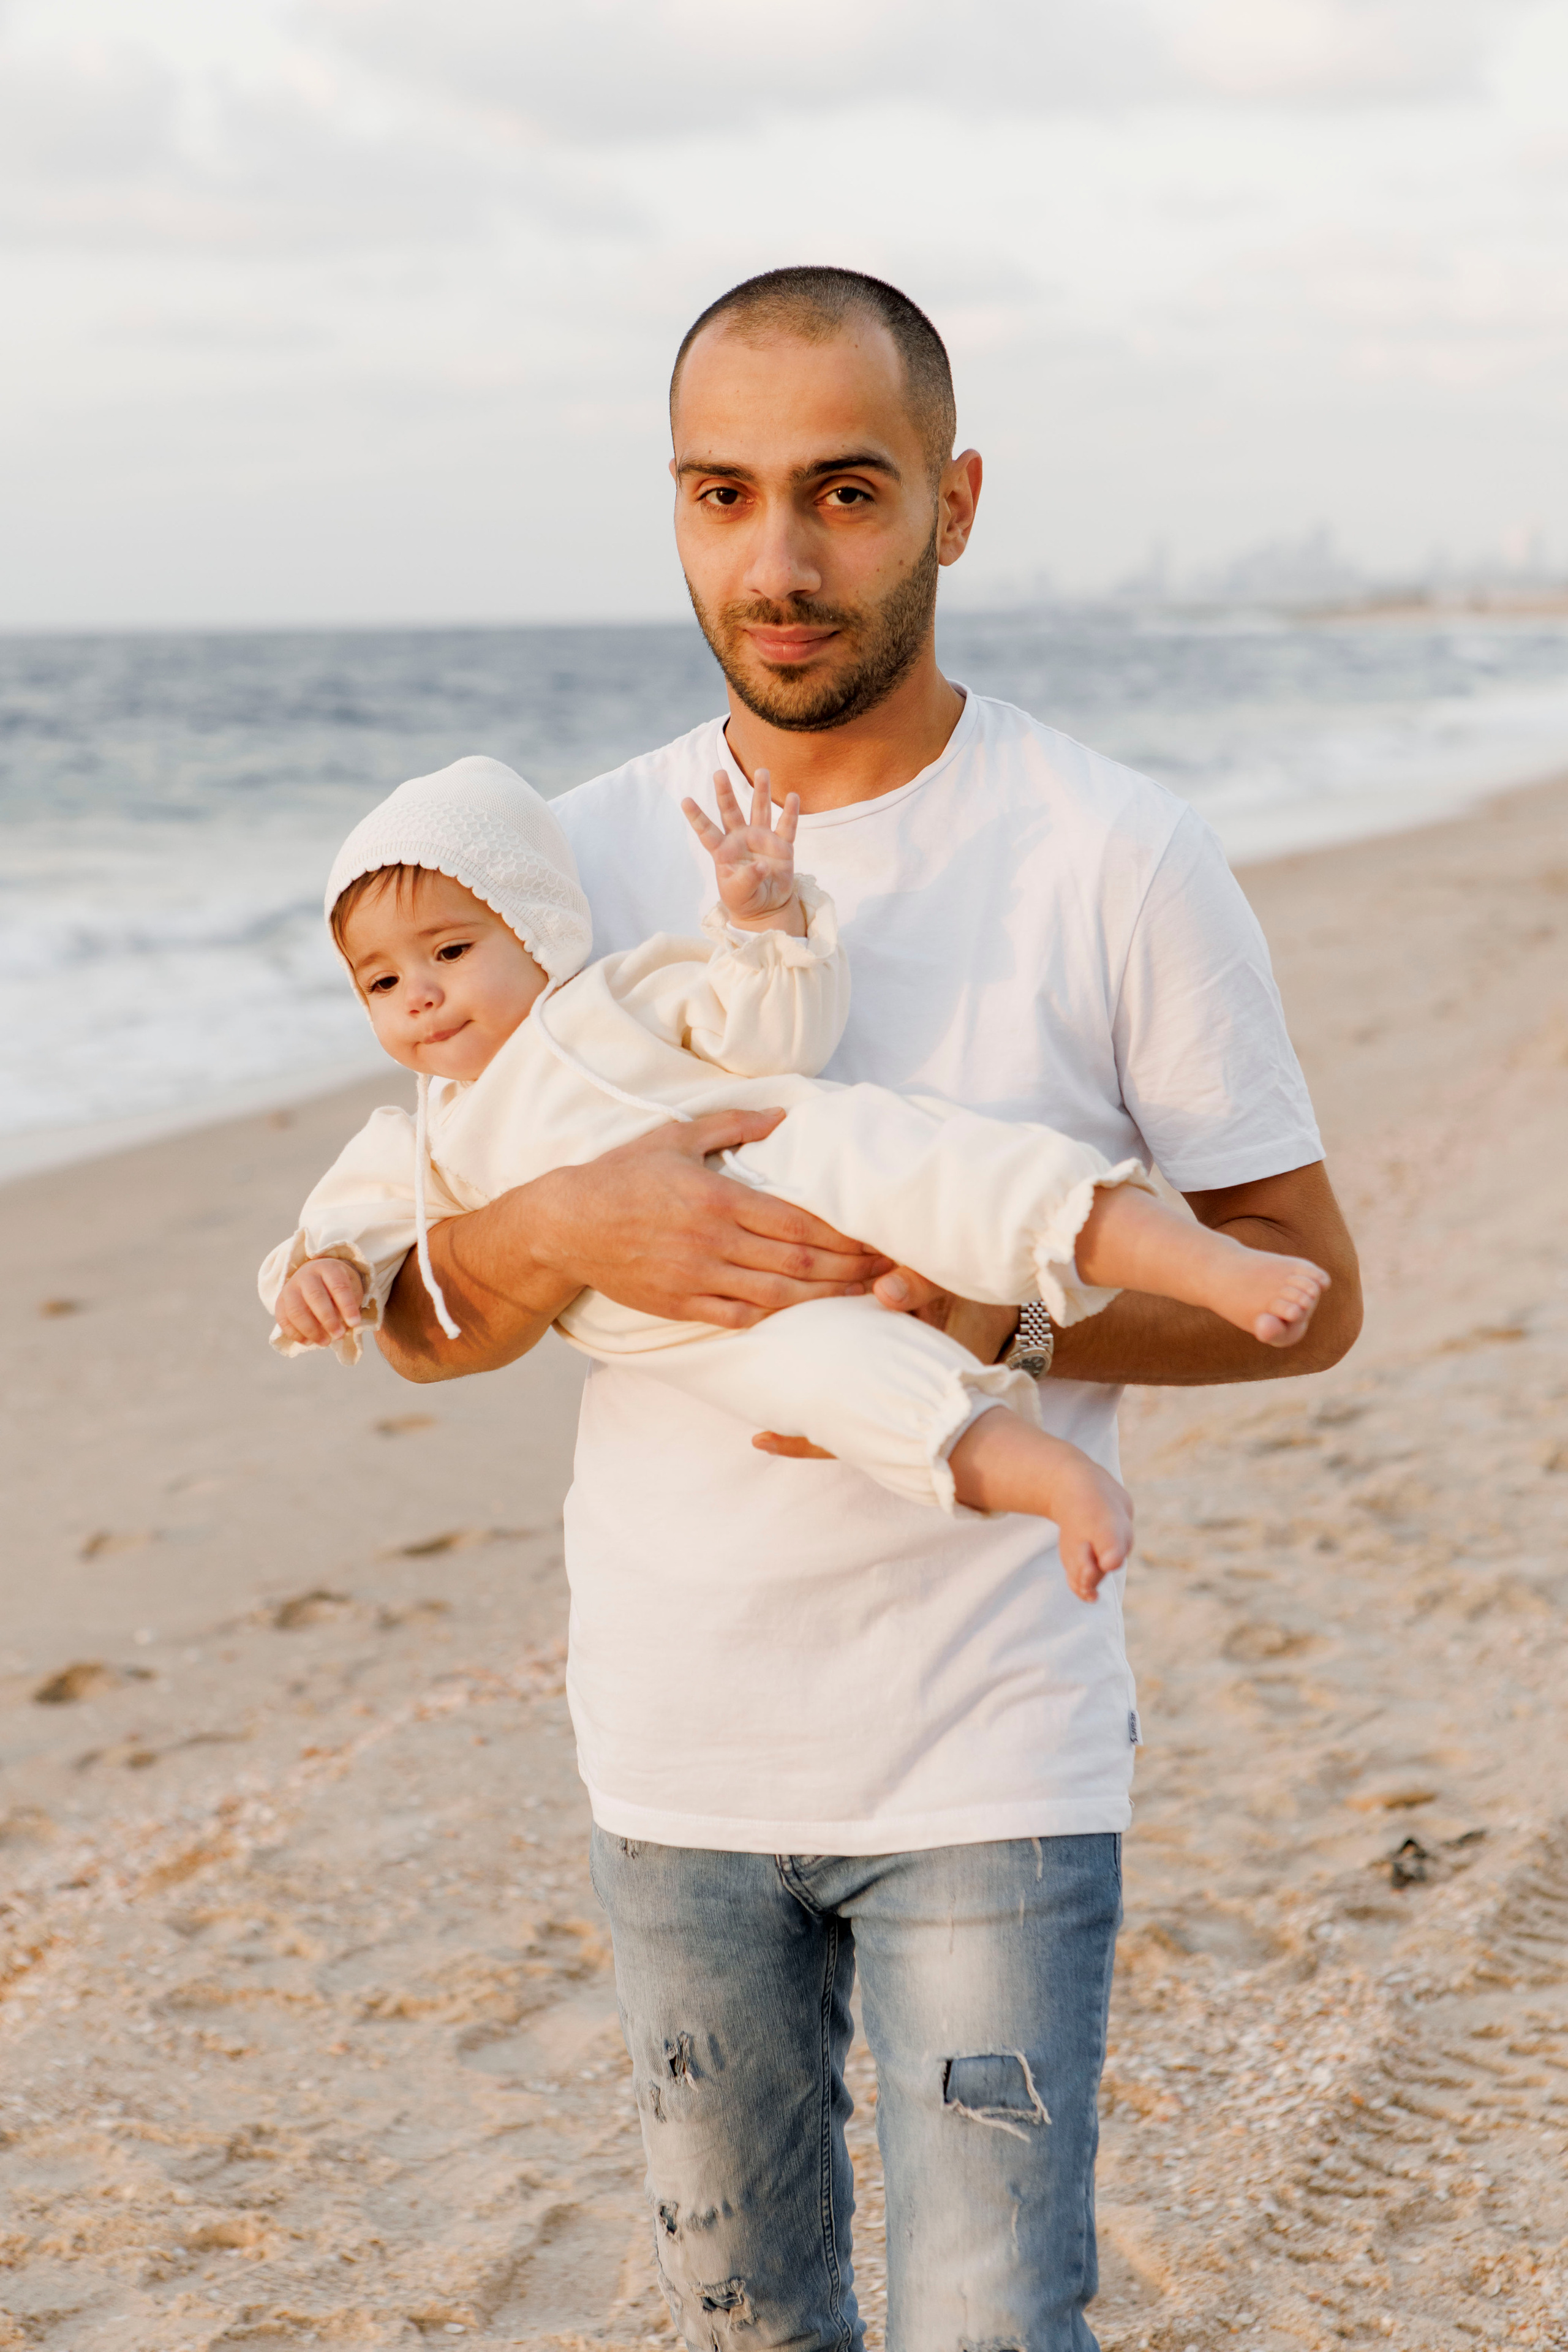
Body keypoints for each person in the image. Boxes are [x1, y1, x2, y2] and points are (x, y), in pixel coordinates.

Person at [363, 268, 1362, 2348]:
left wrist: (987, 1329)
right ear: (675, 508)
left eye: (845, 492)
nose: (783, 562)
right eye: (723, 497)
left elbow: (1314, 1295)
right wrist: (570, 1233)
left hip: (995, 1743)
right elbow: (422, 1311)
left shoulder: (1115, 854)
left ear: (954, 502)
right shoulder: (566, 870)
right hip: (678, 1744)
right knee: (748, 2325)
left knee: (995, 2325)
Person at [260, 758, 1330, 1600]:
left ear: (535, 931)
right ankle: (1058, 1485)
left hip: (794, 1152)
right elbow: (372, 1256)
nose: (421, 998)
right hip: (729, 1339)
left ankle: (1204, 1263)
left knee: (957, 1170)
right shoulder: (427, 1145)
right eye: (384, 981)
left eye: (450, 953)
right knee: (850, 1385)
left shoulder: (615, 995)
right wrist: (318, 1275)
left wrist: (764, 925)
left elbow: (773, 1029)